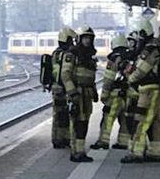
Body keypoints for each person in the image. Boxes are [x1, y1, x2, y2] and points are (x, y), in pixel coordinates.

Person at [122, 26, 160, 163]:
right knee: (155, 121)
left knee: (142, 119)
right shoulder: (158, 47)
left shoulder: (150, 49)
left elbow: (141, 69)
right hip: (156, 89)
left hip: (149, 90)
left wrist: (130, 79)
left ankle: (137, 152)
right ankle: (155, 151)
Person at [92, 34, 134, 150]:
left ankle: (103, 141)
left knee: (108, 117)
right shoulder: (130, 56)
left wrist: (104, 94)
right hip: (128, 94)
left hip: (116, 94)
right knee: (124, 118)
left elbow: (109, 78)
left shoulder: (114, 58)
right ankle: (123, 142)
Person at [63, 26, 98, 162]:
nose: (87, 41)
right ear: (79, 39)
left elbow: (91, 76)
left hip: (87, 93)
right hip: (77, 92)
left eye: (89, 38)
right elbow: (65, 75)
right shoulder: (72, 54)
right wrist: (72, 93)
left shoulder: (90, 55)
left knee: (84, 123)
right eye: (85, 38)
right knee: (77, 123)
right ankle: (75, 152)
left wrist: (94, 91)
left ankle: (81, 151)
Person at [48, 27, 75, 149]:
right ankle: (65, 138)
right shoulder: (68, 54)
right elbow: (66, 74)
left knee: (57, 115)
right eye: (71, 40)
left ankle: (57, 139)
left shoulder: (55, 53)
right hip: (65, 88)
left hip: (55, 88)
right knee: (68, 114)